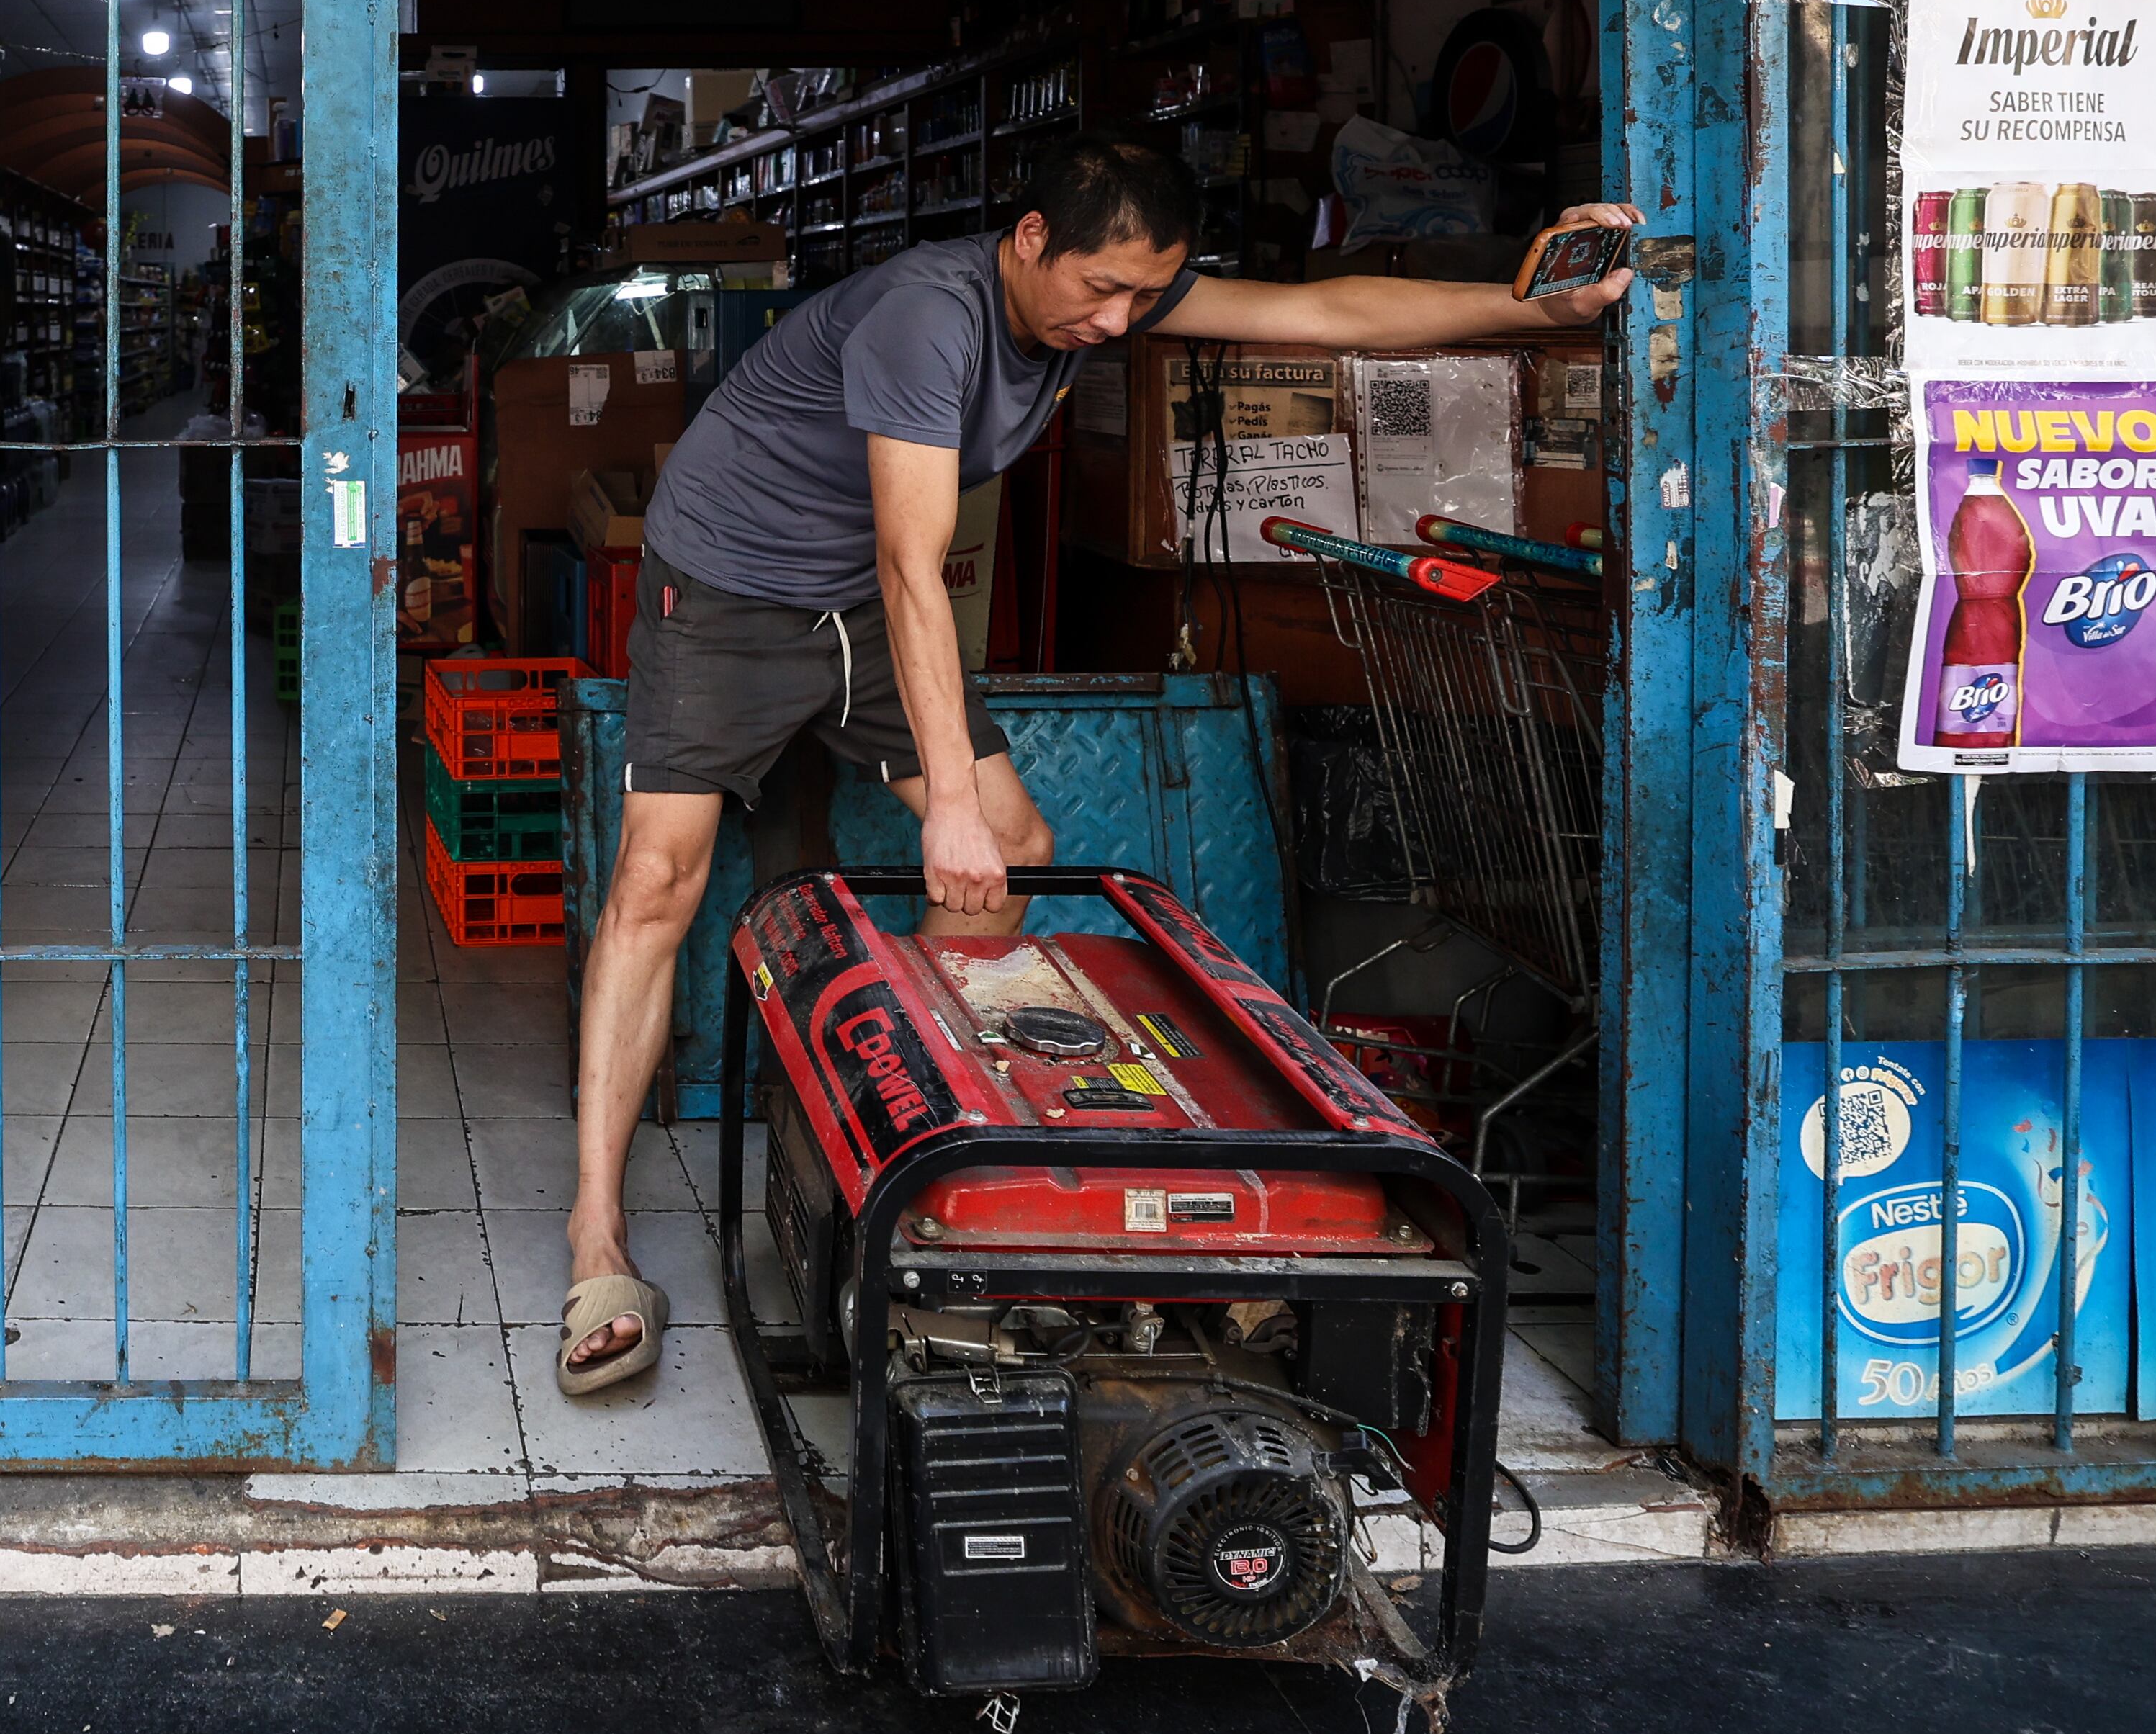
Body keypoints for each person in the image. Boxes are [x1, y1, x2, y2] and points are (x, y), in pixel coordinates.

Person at [554, 134, 1638, 1393]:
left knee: (1015, 850)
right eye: (1100, 290)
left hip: (858, 600)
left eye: (1144, 295)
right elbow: (920, 568)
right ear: (1028, 239)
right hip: (733, 586)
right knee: (659, 882)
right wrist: (939, 802)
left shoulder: (1113, 289)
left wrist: (1529, 300)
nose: (1117, 319)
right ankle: (598, 1233)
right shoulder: (927, 318)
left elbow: (1326, 306)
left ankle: (925, 1140)